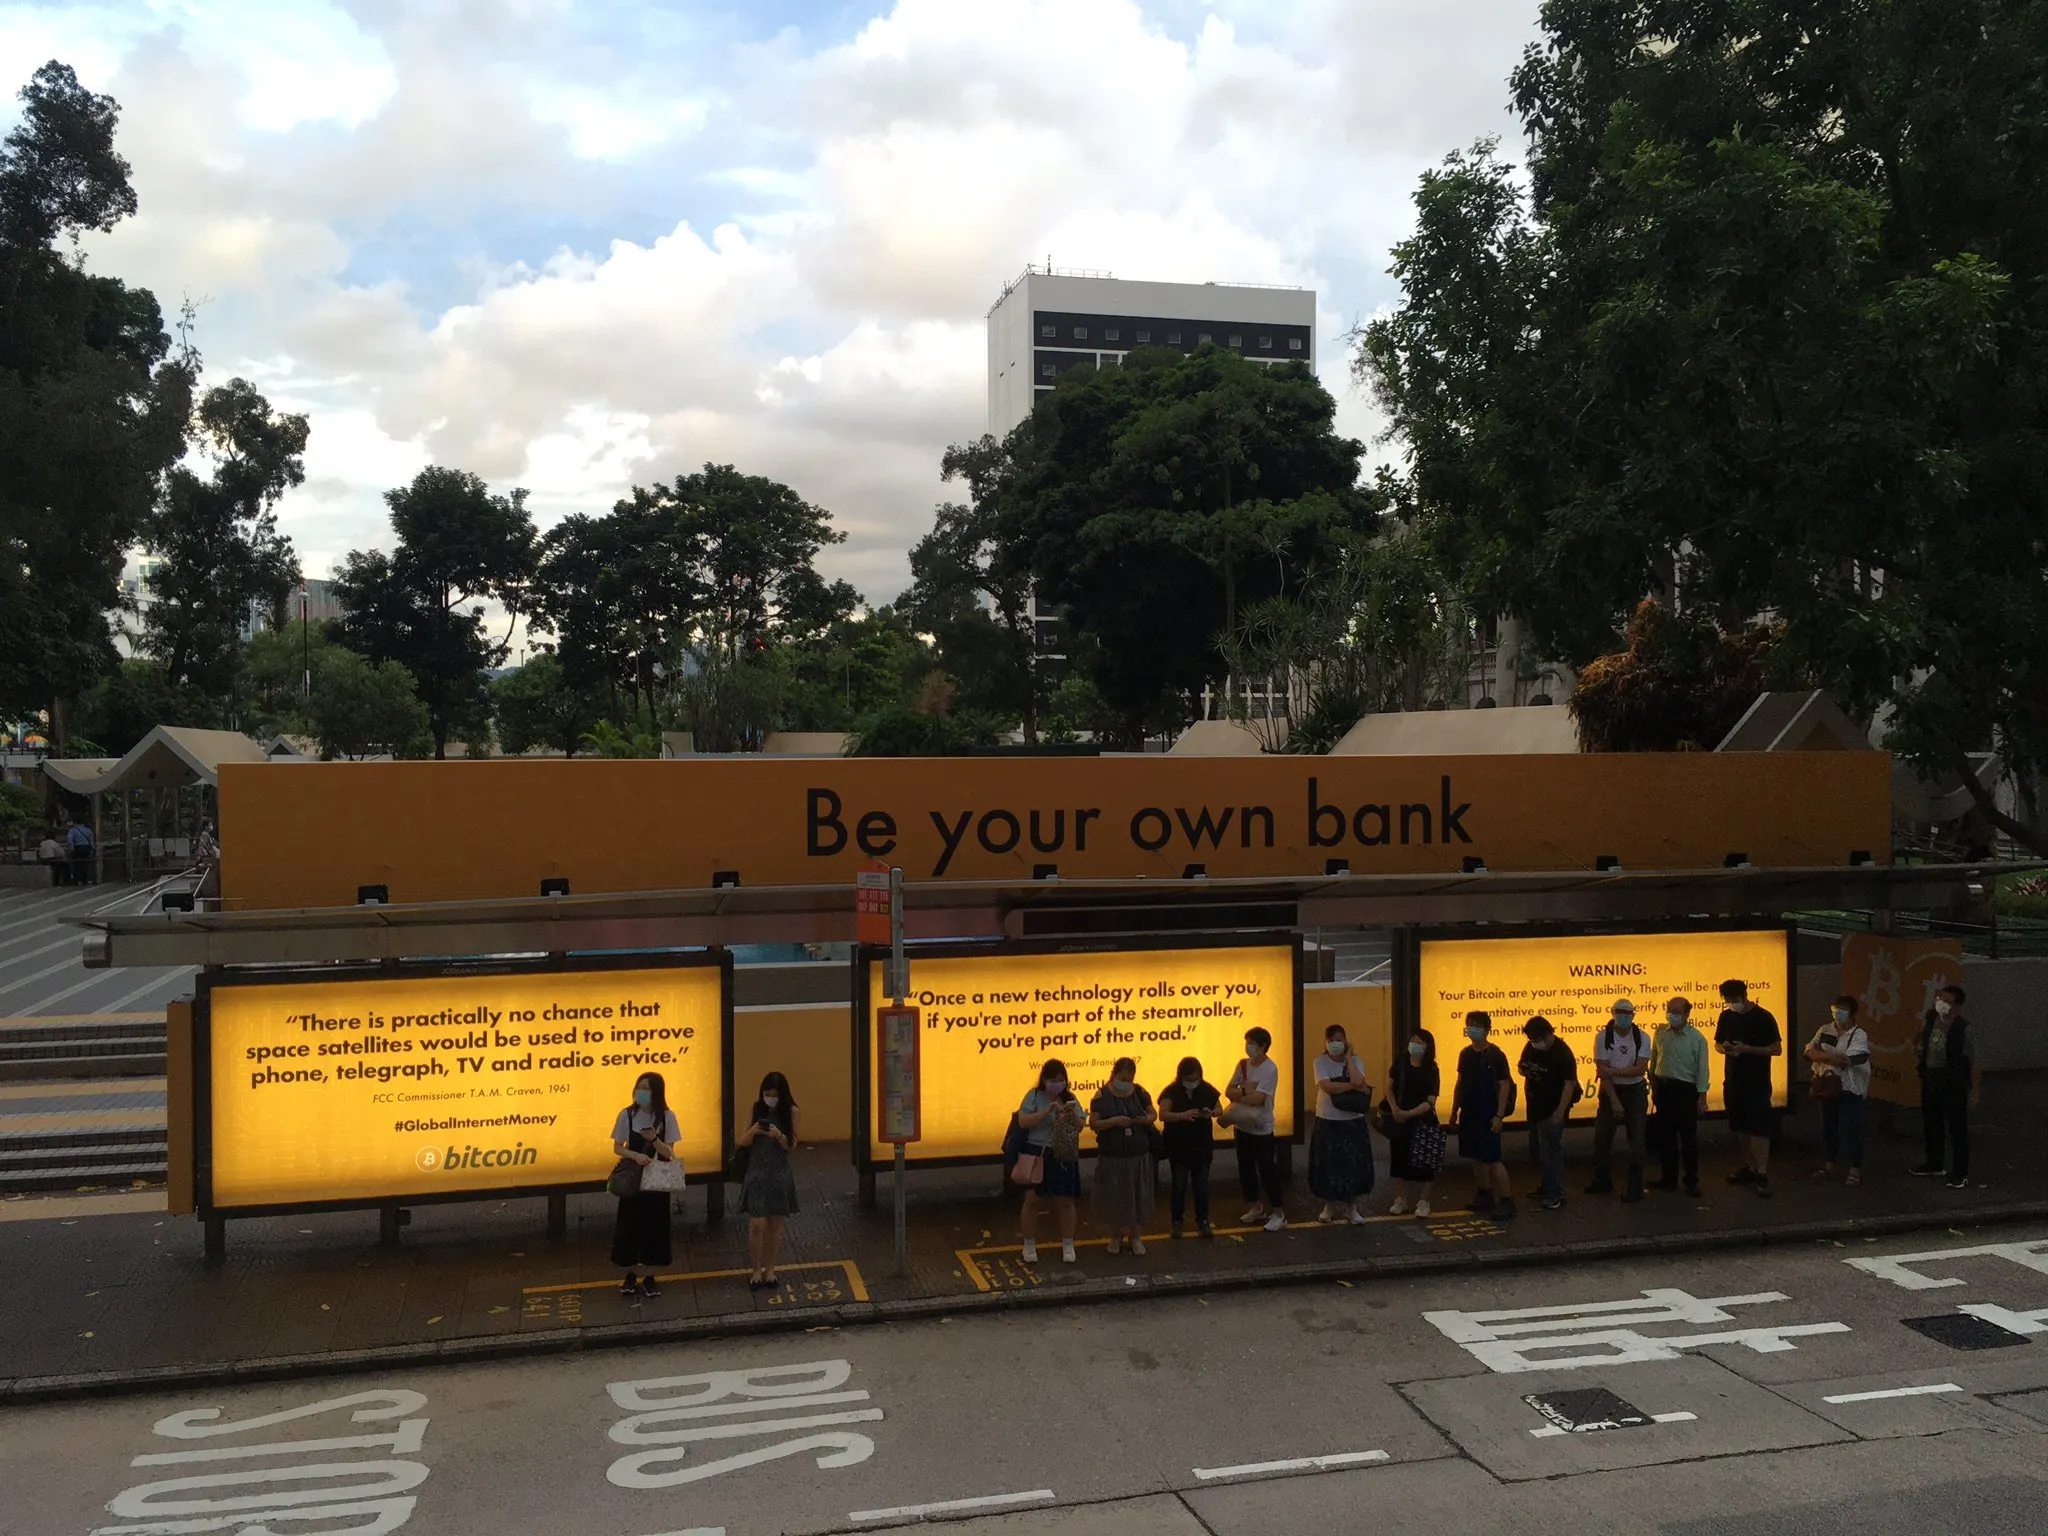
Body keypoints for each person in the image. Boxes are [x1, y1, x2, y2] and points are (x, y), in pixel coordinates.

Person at [610, 1071, 681, 1299]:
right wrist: (634, 1155)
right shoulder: (627, 1115)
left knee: (654, 1225)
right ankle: (630, 1274)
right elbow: (617, 1147)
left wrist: (654, 1140)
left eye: (647, 1088)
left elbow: (669, 1152)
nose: (642, 1092)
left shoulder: (667, 1117)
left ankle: (649, 1275)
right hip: (634, 1179)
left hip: (656, 1180)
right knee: (629, 1225)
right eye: (639, 1087)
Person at [1715, 979, 1782, 1197]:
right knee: (1740, 1126)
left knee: (1759, 1127)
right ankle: (1749, 1166)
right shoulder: (1726, 1016)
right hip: (1733, 1079)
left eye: (1733, 1000)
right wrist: (1724, 1049)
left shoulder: (1763, 1017)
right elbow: (1717, 1042)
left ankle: (1762, 1171)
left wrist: (1748, 1049)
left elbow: (1776, 1049)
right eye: (1727, 1001)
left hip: (1757, 1081)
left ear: (1744, 996)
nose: (1731, 1004)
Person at [1911, 984, 1980, 1190]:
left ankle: (1960, 1172)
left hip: (1953, 1082)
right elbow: (1919, 1040)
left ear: (1957, 1006)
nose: (1941, 1003)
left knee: (1957, 1128)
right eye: (1940, 998)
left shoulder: (1964, 1029)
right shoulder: (1931, 1018)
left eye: (1947, 1001)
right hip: (1931, 1077)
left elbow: (1975, 1061)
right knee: (1932, 1122)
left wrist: (1975, 1091)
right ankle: (1934, 1162)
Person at [1017, 1059, 1085, 1264]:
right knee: (1032, 1200)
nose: (1058, 1084)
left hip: (1062, 1153)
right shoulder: (1034, 1096)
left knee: (1065, 1200)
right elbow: (1023, 1121)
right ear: (1044, 1080)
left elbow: (1081, 1125)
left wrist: (1070, 1115)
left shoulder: (1069, 1098)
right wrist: (1046, 1112)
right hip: (1037, 1152)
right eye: (1053, 1080)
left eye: (1061, 1080)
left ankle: (1067, 1244)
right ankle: (1029, 1244)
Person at [737, 1071, 799, 1289]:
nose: (769, 1097)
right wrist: (754, 1129)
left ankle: (770, 1269)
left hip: (779, 1172)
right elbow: (743, 1141)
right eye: (766, 1093)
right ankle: (755, 1268)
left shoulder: (791, 1112)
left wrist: (779, 1135)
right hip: (757, 1172)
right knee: (756, 1224)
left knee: (774, 1224)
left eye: (773, 1094)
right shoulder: (755, 1109)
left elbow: (791, 1145)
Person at [1586, 999, 1652, 1201]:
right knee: (1602, 1139)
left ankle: (1635, 1187)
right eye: (1620, 1012)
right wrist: (1614, 1100)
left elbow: (1640, 1069)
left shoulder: (1642, 1037)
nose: (1624, 1016)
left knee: (1637, 1142)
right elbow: (1602, 1072)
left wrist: (1613, 1071)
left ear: (1634, 1015)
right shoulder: (1602, 1037)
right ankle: (1603, 1180)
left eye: (1628, 1012)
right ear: (1613, 1013)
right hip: (1610, 1091)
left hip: (1635, 1091)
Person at [1089, 1056, 1157, 1255]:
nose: (1126, 1083)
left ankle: (1135, 1235)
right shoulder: (1102, 1094)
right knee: (1115, 1196)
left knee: (1137, 1195)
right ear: (1115, 1074)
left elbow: (1153, 1114)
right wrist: (1114, 1121)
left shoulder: (1140, 1092)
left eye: (1129, 1079)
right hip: (1113, 1155)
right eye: (1122, 1078)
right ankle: (1116, 1235)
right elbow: (1094, 1123)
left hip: (1138, 1153)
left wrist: (1144, 1120)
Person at [1309, 1023, 1375, 1223]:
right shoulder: (1319, 1061)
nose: (1335, 1044)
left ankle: (1352, 1208)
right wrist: (1352, 1086)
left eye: (1339, 1040)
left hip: (1353, 1122)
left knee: (1353, 1166)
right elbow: (1327, 1086)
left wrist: (1349, 1058)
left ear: (1346, 1041)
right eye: (1330, 1040)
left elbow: (1359, 1080)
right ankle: (1328, 1206)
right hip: (1328, 1120)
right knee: (1328, 1165)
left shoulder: (1356, 1061)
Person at [1454, 1012, 1515, 1219]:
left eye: (1477, 1025)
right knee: (1476, 1157)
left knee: (1493, 1159)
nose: (1472, 1029)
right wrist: (1454, 1111)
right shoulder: (1465, 1054)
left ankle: (1506, 1201)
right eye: (1470, 1025)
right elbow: (1460, 1082)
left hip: (1488, 1113)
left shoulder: (1496, 1055)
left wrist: (1499, 1115)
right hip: (1469, 1113)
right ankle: (1484, 1195)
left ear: (1487, 1029)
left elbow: (1504, 1085)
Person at [1806, 996, 1871, 1187]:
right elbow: (1809, 1051)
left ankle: (1855, 1167)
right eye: (1835, 1009)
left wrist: (1821, 1054)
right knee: (1829, 1127)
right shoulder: (1825, 1029)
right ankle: (1830, 1164)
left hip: (1850, 1086)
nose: (1837, 1013)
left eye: (1841, 1010)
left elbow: (1848, 1061)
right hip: (1827, 1085)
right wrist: (1829, 1056)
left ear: (1851, 1013)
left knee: (1851, 1128)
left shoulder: (1859, 1035)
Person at [1226, 1026, 1286, 1231]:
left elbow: (1259, 1098)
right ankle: (1255, 1207)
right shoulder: (1242, 1065)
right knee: (1246, 1169)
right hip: (1242, 1126)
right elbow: (1228, 1091)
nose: (1248, 1047)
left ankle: (1278, 1213)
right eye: (1247, 1042)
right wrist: (1246, 1092)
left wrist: (1242, 1093)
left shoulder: (1270, 1069)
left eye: (1252, 1043)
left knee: (1268, 1170)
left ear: (1263, 1046)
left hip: (1261, 1128)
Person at [1650, 997, 1710, 1197]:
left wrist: (1702, 1097)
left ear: (1686, 1014)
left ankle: (1691, 1181)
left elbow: (1702, 1069)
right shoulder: (1660, 1032)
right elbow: (1654, 1056)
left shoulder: (1697, 1038)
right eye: (1669, 1010)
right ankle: (1668, 1178)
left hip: (1685, 1090)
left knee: (1687, 1139)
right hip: (1664, 1088)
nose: (1671, 1014)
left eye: (1676, 1011)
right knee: (1666, 1137)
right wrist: (1653, 1082)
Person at [1518, 1016, 1577, 1211]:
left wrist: (1560, 1111)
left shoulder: (1562, 1052)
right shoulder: (1532, 1047)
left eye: (1537, 1039)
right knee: (1538, 1150)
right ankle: (1546, 1186)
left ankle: (1556, 1193)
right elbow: (1522, 1066)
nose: (1535, 1043)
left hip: (1552, 1108)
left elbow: (1569, 1084)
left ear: (1547, 1034)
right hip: (1535, 1106)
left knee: (1552, 1151)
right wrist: (1527, 1071)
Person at [1158, 1055, 1220, 1237]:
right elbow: (1163, 1114)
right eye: (1189, 1079)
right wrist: (1182, 1115)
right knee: (1179, 1186)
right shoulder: (1171, 1091)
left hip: (1202, 1146)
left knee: (1202, 1186)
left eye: (1195, 1079)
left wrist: (1211, 1113)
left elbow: (1220, 1109)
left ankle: (1203, 1220)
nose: (1192, 1083)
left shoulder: (1206, 1089)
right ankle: (1177, 1221)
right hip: (1179, 1147)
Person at [1386, 1027, 1442, 1217]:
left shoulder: (1432, 1069)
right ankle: (1401, 1199)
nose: (1415, 1045)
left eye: (1420, 1042)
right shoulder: (1401, 1062)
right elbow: (1389, 1088)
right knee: (1398, 1160)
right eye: (1413, 1041)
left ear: (1428, 1047)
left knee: (1427, 1163)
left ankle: (1424, 1201)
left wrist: (1408, 1113)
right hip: (1399, 1119)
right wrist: (1395, 1109)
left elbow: (1431, 1101)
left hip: (1423, 1121)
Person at [66, 820, 93, 885]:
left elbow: (69, 839)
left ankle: (77, 879)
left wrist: (71, 848)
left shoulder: (72, 830)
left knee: (76, 864)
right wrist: (91, 849)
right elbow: (91, 840)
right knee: (85, 864)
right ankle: (85, 879)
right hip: (86, 848)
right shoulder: (88, 830)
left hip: (78, 848)